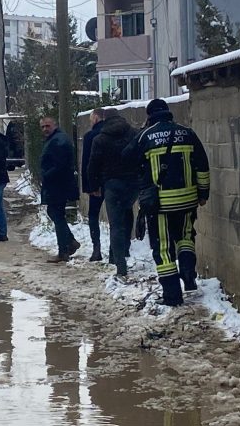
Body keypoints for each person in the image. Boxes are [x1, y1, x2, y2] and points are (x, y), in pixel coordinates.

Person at [124, 98, 210, 306]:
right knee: (186, 237)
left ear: (149, 116)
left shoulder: (145, 136)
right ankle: (188, 274)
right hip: (187, 200)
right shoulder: (187, 133)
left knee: (162, 248)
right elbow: (202, 166)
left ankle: (172, 295)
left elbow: (127, 159)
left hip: (159, 204)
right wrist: (203, 193)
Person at [87, 108, 141, 277]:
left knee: (115, 225)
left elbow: (93, 165)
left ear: (104, 119)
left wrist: (94, 186)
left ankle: (120, 264)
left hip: (112, 184)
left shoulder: (100, 139)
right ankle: (124, 250)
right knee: (127, 213)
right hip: (133, 184)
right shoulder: (135, 134)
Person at [39, 116, 81, 263]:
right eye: (43, 127)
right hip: (58, 184)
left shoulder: (59, 140)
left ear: (55, 125)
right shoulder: (56, 139)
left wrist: (47, 175)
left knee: (56, 214)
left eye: (47, 126)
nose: (45, 129)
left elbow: (60, 165)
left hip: (58, 184)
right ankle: (69, 243)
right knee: (55, 213)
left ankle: (64, 249)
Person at [81, 108, 106, 261]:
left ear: (96, 118)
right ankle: (118, 253)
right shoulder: (115, 133)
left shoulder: (91, 136)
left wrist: (89, 186)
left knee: (93, 215)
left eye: (91, 119)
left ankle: (96, 249)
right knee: (117, 217)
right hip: (114, 181)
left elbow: (87, 163)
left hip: (96, 182)